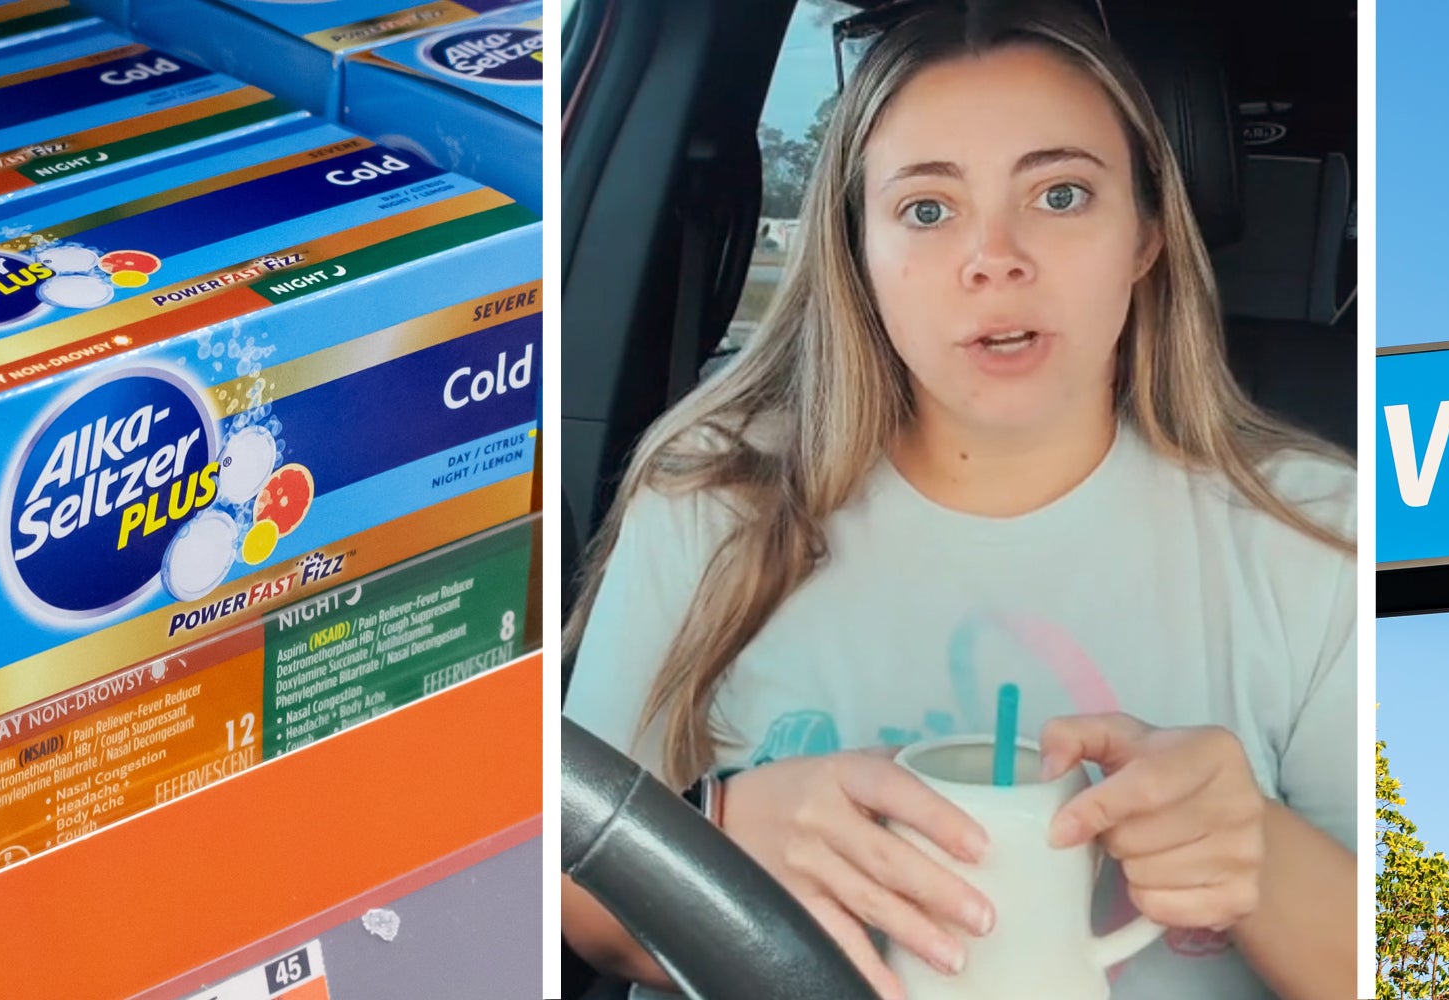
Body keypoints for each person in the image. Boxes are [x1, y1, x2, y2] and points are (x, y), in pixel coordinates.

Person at [562, 1, 1355, 997]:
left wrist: (1262, 858)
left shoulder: (1318, 535)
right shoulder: (713, 494)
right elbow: (568, 898)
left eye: (1060, 195)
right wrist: (714, 831)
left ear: (1146, 235)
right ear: (857, 249)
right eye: (927, 210)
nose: (995, 257)